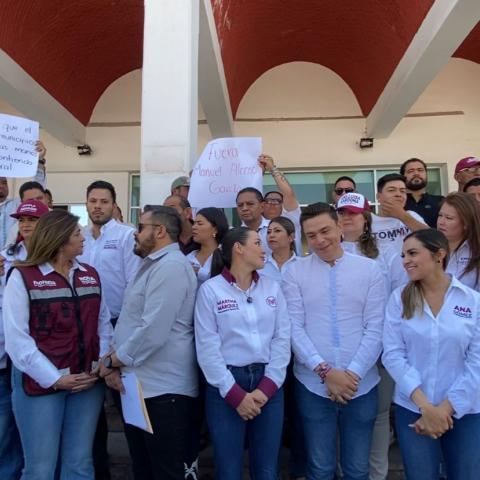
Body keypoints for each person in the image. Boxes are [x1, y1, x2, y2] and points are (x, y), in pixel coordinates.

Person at [3, 210, 112, 479]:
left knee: (80, 464)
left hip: (87, 382)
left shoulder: (90, 275)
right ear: (60, 239)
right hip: (39, 385)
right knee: (40, 469)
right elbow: (17, 341)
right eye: (77, 233)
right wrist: (54, 379)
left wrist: (100, 364)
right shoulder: (22, 277)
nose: (83, 237)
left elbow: (103, 323)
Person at [283, 202, 385, 480]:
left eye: (325, 230)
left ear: (340, 226)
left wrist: (351, 375)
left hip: (361, 385)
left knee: (357, 470)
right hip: (313, 385)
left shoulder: (370, 270)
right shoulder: (294, 272)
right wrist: (325, 371)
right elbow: (293, 327)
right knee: (320, 468)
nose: (320, 240)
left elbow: (376, 327)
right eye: (312, 235)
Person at [99, 206, 199, 479]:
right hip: (140, 387)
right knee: (144, 468)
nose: (135, 233)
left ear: (160, 231)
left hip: (164, 393)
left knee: (166, 471)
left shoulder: (172, 267)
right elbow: (133, 323)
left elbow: (153, 330)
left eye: (141, 227)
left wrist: (111, 361)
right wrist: (116, 363)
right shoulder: (152, 265)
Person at [382, 228, 480, 480]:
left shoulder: (472, 301)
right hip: (413, 407)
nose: (406, 261)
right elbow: (393, 354)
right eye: (403, 255)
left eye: (413, 253)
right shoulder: (399, 299)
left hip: (466, 410)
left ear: (439, 255)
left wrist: (445, 409)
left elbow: (477, 362)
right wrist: (426, 406)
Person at [195, 227, 290, 480]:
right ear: (239, 249)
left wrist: (267, 388)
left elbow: (282, 339)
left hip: (268, 382)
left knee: (267, 469)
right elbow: (207, 348)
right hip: (226, 384)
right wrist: (235, 395)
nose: (264, 249)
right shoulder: (211, 290)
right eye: (257, 243)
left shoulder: (272, 288)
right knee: (228, 469)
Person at [336, 192, 407, 480]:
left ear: (366, 219)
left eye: (353, 213)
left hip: (379, 351)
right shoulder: (323, 253)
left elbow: (398, 301)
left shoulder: (387, 255)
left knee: (378, 417)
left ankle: (376, 475)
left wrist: (382, 345)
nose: (347, 218)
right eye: (342, 213)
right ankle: (345, 472)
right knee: (341, 417)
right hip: (340, 352)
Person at [77, 180, 141, 479]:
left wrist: (119, 340)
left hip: (119, 327)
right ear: (87, 204)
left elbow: (133, 286)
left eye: (104, 201)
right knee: (90, 414)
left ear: (114, 204)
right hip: (85, 330)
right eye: (93, 201)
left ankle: (139, 469)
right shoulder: (78, 239)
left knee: (127, 408)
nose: (98, 206)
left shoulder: (127, 236)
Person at [0, 200, 49, 479]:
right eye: (22, 220)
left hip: (44, 352)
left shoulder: (55, 255)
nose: (26, 224)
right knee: (7, 429)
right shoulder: (7, 254)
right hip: (9, 354)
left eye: (32, 220)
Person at [0, 140, 47, 248]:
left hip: (12, 259)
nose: (1, 186)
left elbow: (37, 188)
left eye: (4, 182)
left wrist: (39, 160)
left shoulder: (17, 205)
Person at [258, 154, 303, 254]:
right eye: (268, 200)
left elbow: (288, 193)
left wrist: (272, 169)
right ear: (262, 205)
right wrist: (257, 174)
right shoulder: (256, 224)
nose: (272, 203)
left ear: (283, 205)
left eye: (277, 201)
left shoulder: (291, 219)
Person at [372, 173, 427, 253]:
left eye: (402, 191)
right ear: (378, 197)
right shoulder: (368, 220)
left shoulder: (412, 215)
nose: (398, 194)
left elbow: (432, 238)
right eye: (391, 190)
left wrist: (401, 215)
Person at [437, 192, 480, 290]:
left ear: (466, 223)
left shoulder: (475, 251)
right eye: (440, 215)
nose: (441, 222)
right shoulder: (429, 248)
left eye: (449, 218)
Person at [186, 207, 229, 286]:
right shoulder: (189, 257)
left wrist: (199, 272)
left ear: (215, 229)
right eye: (194, 223)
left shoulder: (227, 255)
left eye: (200, 223)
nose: (194, 227)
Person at [401, 158, 444, 228]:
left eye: (420, 170)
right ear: (403, 177)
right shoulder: (397, 202)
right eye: (410, 171)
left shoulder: (441, 201)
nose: (416, 173)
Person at [261, 216, 298, 282]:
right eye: (268, 232)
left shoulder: (302, 265)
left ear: (291, 237)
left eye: (277, 231)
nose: (271, 235)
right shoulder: (260, 267)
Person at [236, 187, 272, 256]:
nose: (244, 208)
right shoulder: (234, 235)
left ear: (262, 206)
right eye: (240, 205)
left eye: (250, 204)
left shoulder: (276, 229)